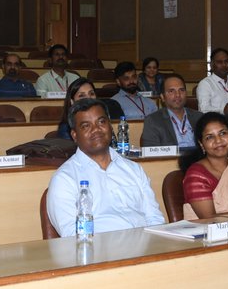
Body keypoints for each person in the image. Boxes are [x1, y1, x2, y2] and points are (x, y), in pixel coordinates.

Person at [45, 98, 165, 237]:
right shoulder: (65, 179)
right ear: (75, 135)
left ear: (110, 126)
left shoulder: (134, 170)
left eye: (101, 122)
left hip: (146, 250)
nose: (96, 129)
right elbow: (72, 235)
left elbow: (155, 220)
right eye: (86, 126)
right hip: (99, 255)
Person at [140, 74, 200, 150]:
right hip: (171, 161)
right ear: (162, 97)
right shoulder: (153, 121)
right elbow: (151, 154)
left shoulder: (199, 117)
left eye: (181, 90)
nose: (178, 95)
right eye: (171, 91)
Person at [56, 77, 122, 140]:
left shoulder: (104, 120)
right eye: (82, 95)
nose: (88, 98)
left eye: (91, 94)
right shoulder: (65, 128)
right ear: (72, 101)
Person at [196, 47, 228, 114]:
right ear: (212, 65)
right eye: (219, 62)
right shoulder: (205, 84)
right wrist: (223, 110)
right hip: (216, 122)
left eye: (226, 61)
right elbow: (203, 110)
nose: (224, 65)